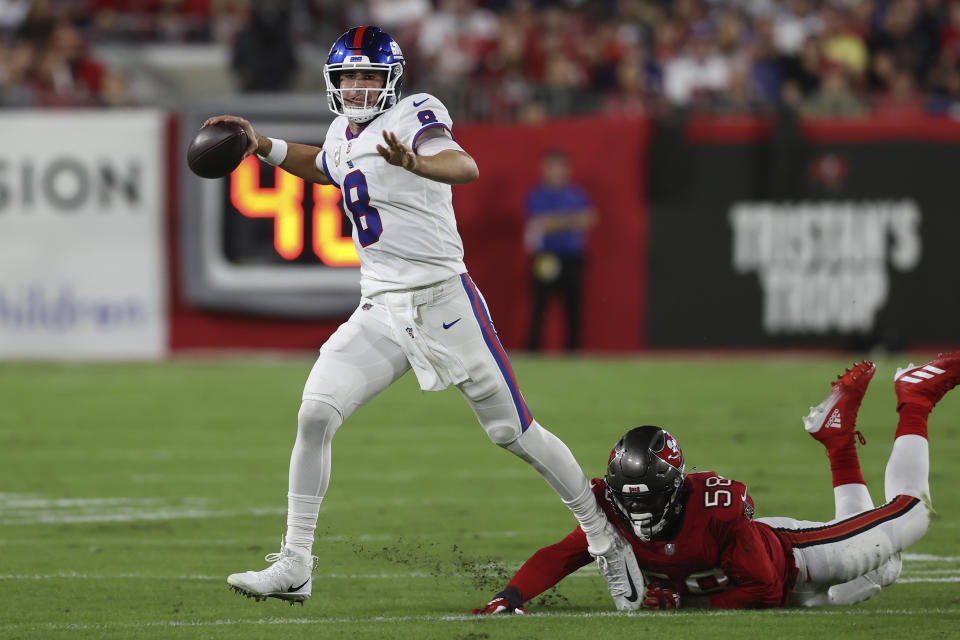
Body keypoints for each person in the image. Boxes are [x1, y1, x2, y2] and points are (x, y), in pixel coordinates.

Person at [206, 26, 627, 605]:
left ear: (390, 80)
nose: (356, 87)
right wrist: (261, 145)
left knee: (513, 433)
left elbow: (464, 165)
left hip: (443, 301)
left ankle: (604, 538)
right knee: (314, 415)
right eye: (348, 76)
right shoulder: (340, 130)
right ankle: (297, 562)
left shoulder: (414, 114)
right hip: (381, 306)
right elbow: (326, 166)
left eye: (368, 76)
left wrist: (418, 164)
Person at [473, 351, 959, 613]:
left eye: (648, 498)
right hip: (755, 582)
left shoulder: (717, 508)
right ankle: (838, 442)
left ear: (676, 488)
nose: (635, 512)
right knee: (882, 573)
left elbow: (765, 590)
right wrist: (510, 596)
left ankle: (916, 397)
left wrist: (684, 600)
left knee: (911, 516)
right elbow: (560, 555)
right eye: (626, 500)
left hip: (797, 561)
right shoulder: (612, 511)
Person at [524, 149, 595, 352]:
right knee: (540, 307)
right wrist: (572, 220)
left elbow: (590, 219)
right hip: (546, 257)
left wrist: (556, 221)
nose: (555, 171)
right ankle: (533, 351)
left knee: (573, 308)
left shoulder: (577, 193)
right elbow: (540, 223)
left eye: (559, 167)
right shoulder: (537, 195)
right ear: (544, 169)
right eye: (551, 167)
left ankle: (573, 351)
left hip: (573, 257)